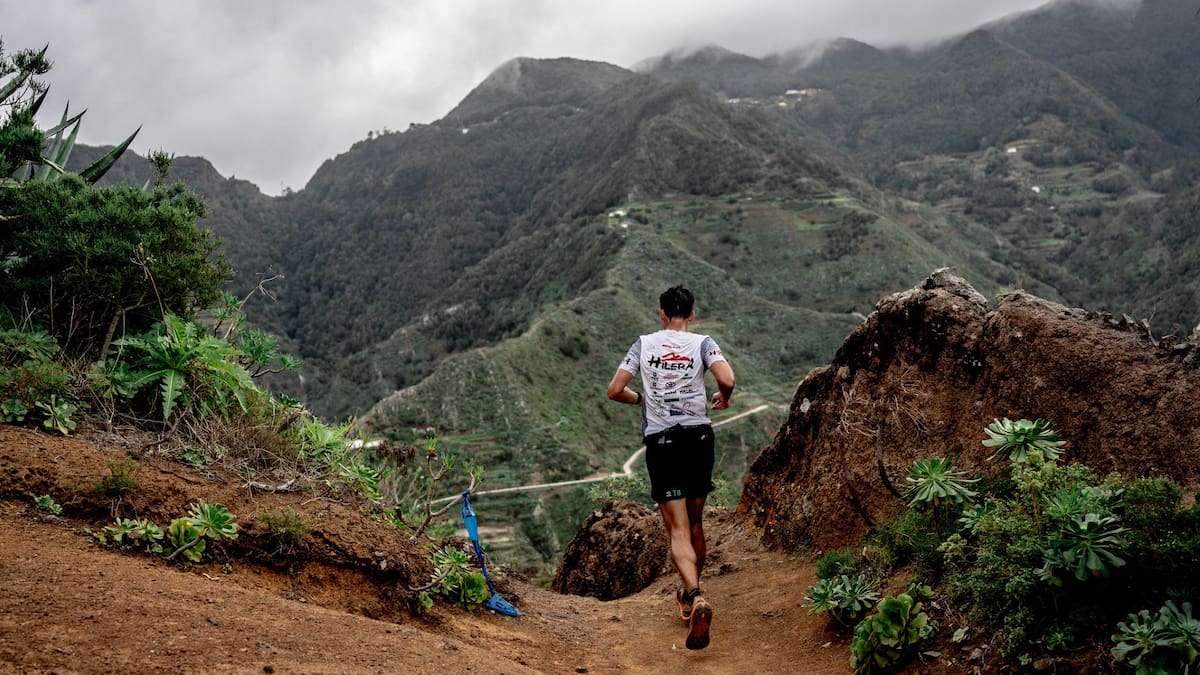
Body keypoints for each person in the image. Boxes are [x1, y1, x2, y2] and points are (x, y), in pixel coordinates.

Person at [606, 285, 735, 651]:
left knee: (677, 529)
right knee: (695, 523)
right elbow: (727, 379)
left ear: (661, 313)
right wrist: (723, 399)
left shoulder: (643, 345)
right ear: (691, 315)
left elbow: (615, 390)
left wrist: (642, 400)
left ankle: (693, 596)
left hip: (663, 443)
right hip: (698, 439)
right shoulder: (703, 343)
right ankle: (693, 594)